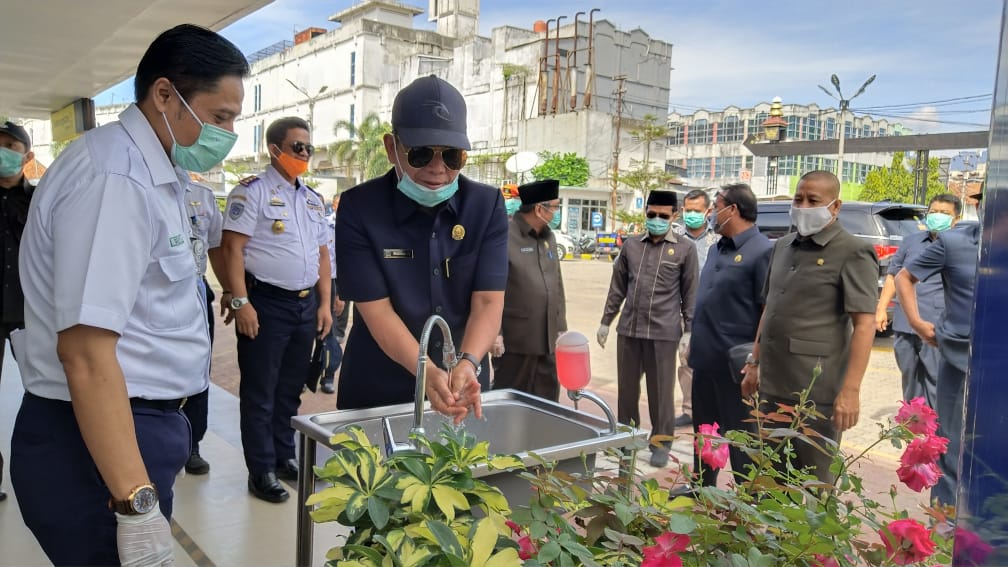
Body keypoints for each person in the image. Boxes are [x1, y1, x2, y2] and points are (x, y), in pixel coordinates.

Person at [10, 24, 246, 565]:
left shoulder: (155, 173)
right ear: (164, 94)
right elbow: (86, 355)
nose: (228, 133)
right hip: (93, 440)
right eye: (219, 117)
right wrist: (136, 509)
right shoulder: (115, 177)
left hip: (131, 428)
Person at [334, 74, 504, 421]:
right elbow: (377, 311)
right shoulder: (359, 209)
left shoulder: (485, 206)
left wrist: (469, 362)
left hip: (463, 386)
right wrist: (426, 372)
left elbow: (488, 301)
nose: (437, 169)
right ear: (391, 147)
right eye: (421, 153)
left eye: (452, 156)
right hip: (378, 387)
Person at [220, 116, 332, 503]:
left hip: (304, 305)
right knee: (260, 391)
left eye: (308, 148)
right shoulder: (251, 192)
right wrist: (240, 301)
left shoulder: (312, 199)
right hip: (265, 304)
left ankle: (285, 455)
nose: (304, 154)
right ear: (275, 149)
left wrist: (325, 304)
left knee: (289, 389)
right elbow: (231, 249)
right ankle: (261, 469)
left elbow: (322, 253)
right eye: (297, 147)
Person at [741, 170, 878, 483]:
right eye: (798, 198)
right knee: (769, 480)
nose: (803, 206)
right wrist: (754, 362)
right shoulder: (783, 246)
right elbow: (769, 308)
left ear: (835, 206)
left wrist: (851, 391)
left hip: (816, 392)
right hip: (772, 385)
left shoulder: (852, 251)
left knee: (814, 485)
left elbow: (865, 324)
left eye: (813, 200)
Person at [597, 190, 699, 468]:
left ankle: (661, 442)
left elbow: (690, 293)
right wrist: (607, 321)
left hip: (664, 332)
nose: (656, 220)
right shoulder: (631, 245)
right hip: (629, 329)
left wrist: (689, 331)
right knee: (627, 391)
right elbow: (617, 286)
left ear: (674, 216)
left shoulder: (684, 248)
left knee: (661, 391)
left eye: (662, 216)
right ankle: (627, 440)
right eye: (651, 214)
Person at [895, 187, 981, 507]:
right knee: (951, 446)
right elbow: (903, 277)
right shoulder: (954, 243)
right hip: (958, 358)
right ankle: (944, 528)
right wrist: (917, 322)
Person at [688, 183, 772, 487]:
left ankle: (746, 500)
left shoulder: (763, 251)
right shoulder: (716, 248)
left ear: (732, 209)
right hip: (705, 359)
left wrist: (756, 361)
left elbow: (767, 311)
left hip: (736, 366)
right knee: (705, 431)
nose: (712, 213)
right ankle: (702, 487)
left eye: (716, 206)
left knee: (740, 436)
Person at [876, 194, 961, 408]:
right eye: (934, 212)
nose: (937, 217)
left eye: (945, 213)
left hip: (935, 326)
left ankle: (937, 429)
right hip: (905, 323)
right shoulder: (911, 241)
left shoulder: (960, 247)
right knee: (909, 376)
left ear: (956, 219)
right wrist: (881, 307)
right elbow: (894, 275)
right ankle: (913, 424)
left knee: (936, 378)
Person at [493, 179, 567, 401]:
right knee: (511, 401)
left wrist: (561, 326)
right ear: (539, 208)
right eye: (554, 207)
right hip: (516, 342)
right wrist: (495, 333)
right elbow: (492, 289)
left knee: (548, 402)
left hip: (548, 340)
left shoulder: (549, 237)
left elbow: (558, 284)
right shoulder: (504, 235)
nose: (555, 212)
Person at [0, 121, 35, 503]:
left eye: (11, 145)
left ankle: (47, 470)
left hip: (31, 314)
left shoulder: (39, 201)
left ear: (27, 155)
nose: (3, 151)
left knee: (44, 391)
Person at [182, 180, 226, 475]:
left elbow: (217, 247)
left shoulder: (201, 196)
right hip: (147, 298)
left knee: (199, 370)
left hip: (195, 295)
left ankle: (192, 444)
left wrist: (232, 292)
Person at [675, 188, 721, 428]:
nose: (691, 215)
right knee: (682, 362)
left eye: (696, 211)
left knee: (701, 361)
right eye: (687, 210)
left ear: (708, 211)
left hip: (706, 311)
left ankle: (703, 410)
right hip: (677, 310)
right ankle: (688, 410)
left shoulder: (718, 239)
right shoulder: (674, 235)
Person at [319, 195, 346, 394]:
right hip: (314, 282)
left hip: (337, 282)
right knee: (314, 332)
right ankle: (308, 372)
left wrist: (342, 293)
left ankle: (328, 374)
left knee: (333, 334)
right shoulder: (323, 225)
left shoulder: (350, 226)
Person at [329, 193, 351, 344]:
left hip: (346, 270)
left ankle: (339, 333)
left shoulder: (352, 223)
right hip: (330, 271)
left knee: (344, 301)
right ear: (333, 206)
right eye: (339, 204)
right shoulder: (325, 223)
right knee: (331, 302)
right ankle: (330, 332)